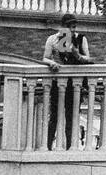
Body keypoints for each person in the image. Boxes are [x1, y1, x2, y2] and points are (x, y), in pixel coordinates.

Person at [43, 14, 93, 149]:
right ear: (63, 27)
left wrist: (78, 56)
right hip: (57, 83)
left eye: (74, 27)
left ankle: (70, 147)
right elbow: (45, 58)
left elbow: (88, 59)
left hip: (73, 84)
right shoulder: (53, 39)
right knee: (54, 116)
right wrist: (52, 63)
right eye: (70, 27)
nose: (72, 30)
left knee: (71, 117)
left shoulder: (80, 39)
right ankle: (47, 147)